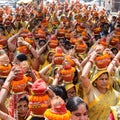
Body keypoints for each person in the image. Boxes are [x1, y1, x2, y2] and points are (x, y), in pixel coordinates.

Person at [81, 50, 120, 120]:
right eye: (101, 79)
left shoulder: (113, 92)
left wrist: (116, 55)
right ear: (95, 81)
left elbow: (112, 64)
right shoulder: (90, 91)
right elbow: (83, 76)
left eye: (106, 79)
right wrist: (91, 59)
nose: (104, 81)